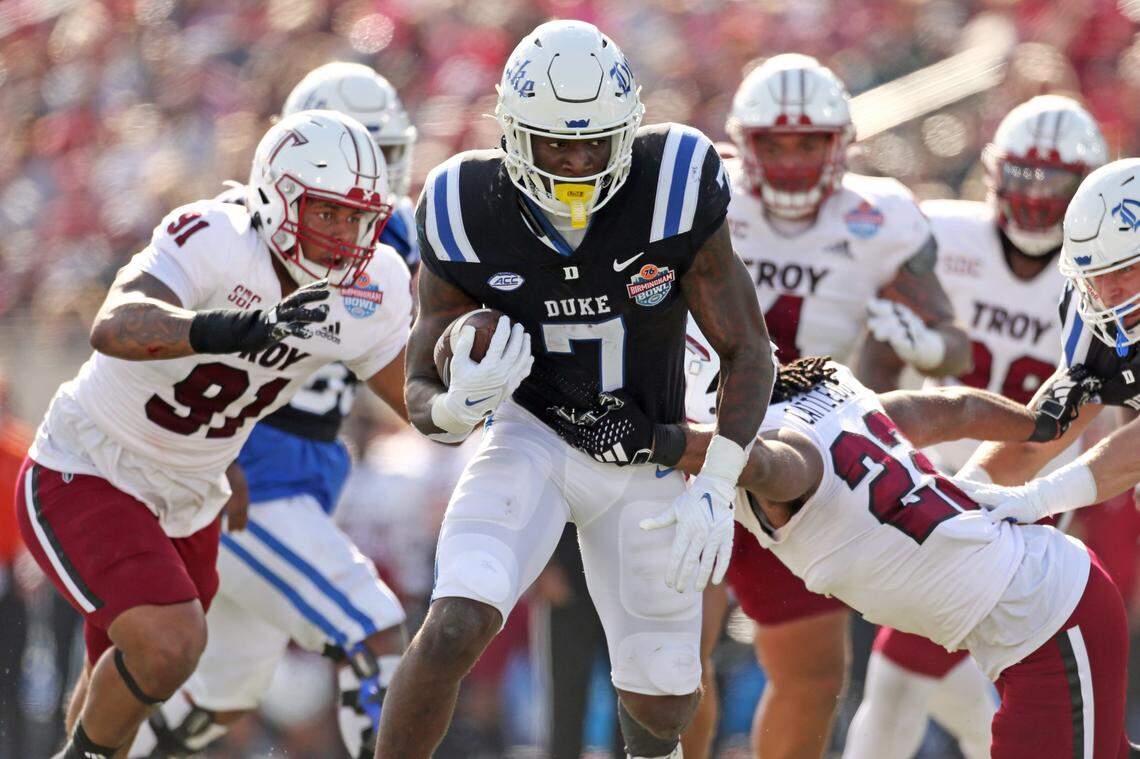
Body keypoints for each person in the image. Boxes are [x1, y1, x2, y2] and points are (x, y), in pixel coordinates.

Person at [375, 20, 774, 759]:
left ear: (630, 130)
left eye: (594, 142)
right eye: (556, 142)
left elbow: (748, 347)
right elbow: (423, 379)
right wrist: (457, 408)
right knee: (456, 621)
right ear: (513, 134)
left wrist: (719, 478)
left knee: (664, 698)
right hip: (534, 440)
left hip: (647, 453)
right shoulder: (465, 203)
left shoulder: (673, 183)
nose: (577, 161)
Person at [15, 109, 413, 759]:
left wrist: (478, 388)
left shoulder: (372, 285)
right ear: (280, 198)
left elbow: (419, 403)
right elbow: (114, 325)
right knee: (171, 641)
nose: (346, 236)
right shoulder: (217, 237)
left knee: (127, 682)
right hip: (91, 462)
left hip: (190, 491)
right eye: (326, 214)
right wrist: (233, 329)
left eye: (357, 218)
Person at [567, 354, 1129, 758]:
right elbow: (953, 408)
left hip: (1044, 621)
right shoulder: (836, 397)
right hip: (1038, 608)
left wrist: (658, 439)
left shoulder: (778, 454)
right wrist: (1038, 424)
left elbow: (772, 466)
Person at [682, 53, 971, 759]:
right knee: (671, 659)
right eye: (773, 143)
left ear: (839, 142)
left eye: (807, 142)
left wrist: (929, 348)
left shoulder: (882, 215)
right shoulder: (697, 193)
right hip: (699, 442)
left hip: (813, 463)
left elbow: (953, 342)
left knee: (812, 674)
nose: (788, 161)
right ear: (741, 143)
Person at [128, 64, 420, 759]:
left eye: (378, 157)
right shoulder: (240, 238)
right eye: (332, 182)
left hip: (303, 475)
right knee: (374, 632)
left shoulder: (393, 236)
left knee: (223, 696)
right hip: (250, 476)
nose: (357, 188)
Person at [843, 94, 1108, 759]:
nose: (1039, 197)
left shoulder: (1103, 275)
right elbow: (875, 342)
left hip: (1023, 506)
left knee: (900, 674)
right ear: (994, 174)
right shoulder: (944, 235)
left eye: (1056, 183)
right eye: (1025, 176)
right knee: (952, 669)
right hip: (926, 485)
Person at [957, 157, 1140, 545]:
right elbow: (1040, 437)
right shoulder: (1090, 314)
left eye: (1124, 269)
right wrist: (956, 497)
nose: (1108, 293)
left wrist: (1041, 497)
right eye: (1095, 274)